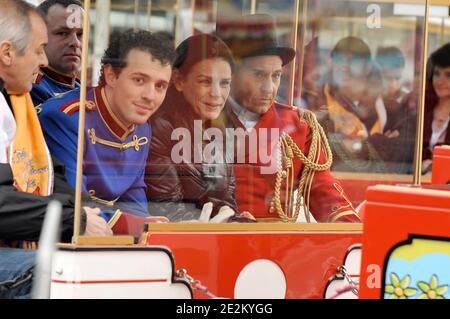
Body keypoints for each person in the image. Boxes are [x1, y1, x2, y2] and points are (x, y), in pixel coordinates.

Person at [0, 0, 110, 299]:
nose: (43, 61)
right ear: (7, 53)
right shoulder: (35, 101)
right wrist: (77, 220)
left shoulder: (14, 98)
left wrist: (118, 220)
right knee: (69, 269)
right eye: (39, 49)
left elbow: (52, 178)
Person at [216, 14, 360, 223]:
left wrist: (354, 236)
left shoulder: (299, 126)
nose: (269, 88)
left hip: (276, 249)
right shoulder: (199, 120)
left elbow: (325, 194)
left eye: (276, 76)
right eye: (258, 75)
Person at [39, 30, 174, 224]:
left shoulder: (142, 126)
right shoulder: (67, 117)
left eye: (160, 86)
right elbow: (75, 204)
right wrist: (137, 225)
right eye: (139, 80)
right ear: (111, 75)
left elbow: (133, 198)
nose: (150, 96)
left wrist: (156, 227)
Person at [145, 33, 253, 222]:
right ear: (179, 80)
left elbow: (227, 204)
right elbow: (169, 212)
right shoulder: (160, 128)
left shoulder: (223, 130)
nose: (216, 94)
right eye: (205, 81)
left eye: (225, 83)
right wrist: (226, 224)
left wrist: (236, 221)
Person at [360, 46, 416, 173]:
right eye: (387, 77)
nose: (393, 85)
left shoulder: (404, 108)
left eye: (397, 78)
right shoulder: (364, 103)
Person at [31, 0, 83, 108]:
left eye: (80, 34)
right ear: (38, 35)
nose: (76, 42)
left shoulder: (83, 90)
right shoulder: (30, 88)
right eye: (62, 33)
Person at [422, 43, 450, 173]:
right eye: (437, 73)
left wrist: (434, 166)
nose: (440, 81)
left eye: (448, 75)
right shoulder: (421, 113)